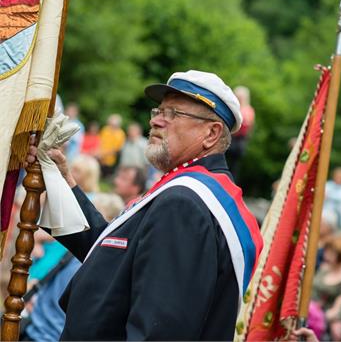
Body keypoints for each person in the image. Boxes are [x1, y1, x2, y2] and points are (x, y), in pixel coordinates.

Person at [26, 70, 263, 340]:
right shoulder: (196, 192)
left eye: (173, 114)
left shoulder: (185, 204)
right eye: (158, 111)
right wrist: (61, 179)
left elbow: (159, 331)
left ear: (211, 133)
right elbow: (112, 254)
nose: (157, 121)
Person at [225, 85, 255, 180]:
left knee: (233, 167)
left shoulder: (247, 110)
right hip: (231, 139)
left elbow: (246, 125)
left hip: (238, 141)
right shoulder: (236, 108)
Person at [98, 114, 126, 178]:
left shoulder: (121, 134)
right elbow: (100, 142)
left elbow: (117, 149)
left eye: (114, 125)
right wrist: (99, 153)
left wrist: (104, 154)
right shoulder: (105, 129)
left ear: (118, 125)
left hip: (111, 158)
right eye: (110, 124)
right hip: (100, 154)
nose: (111, 126)